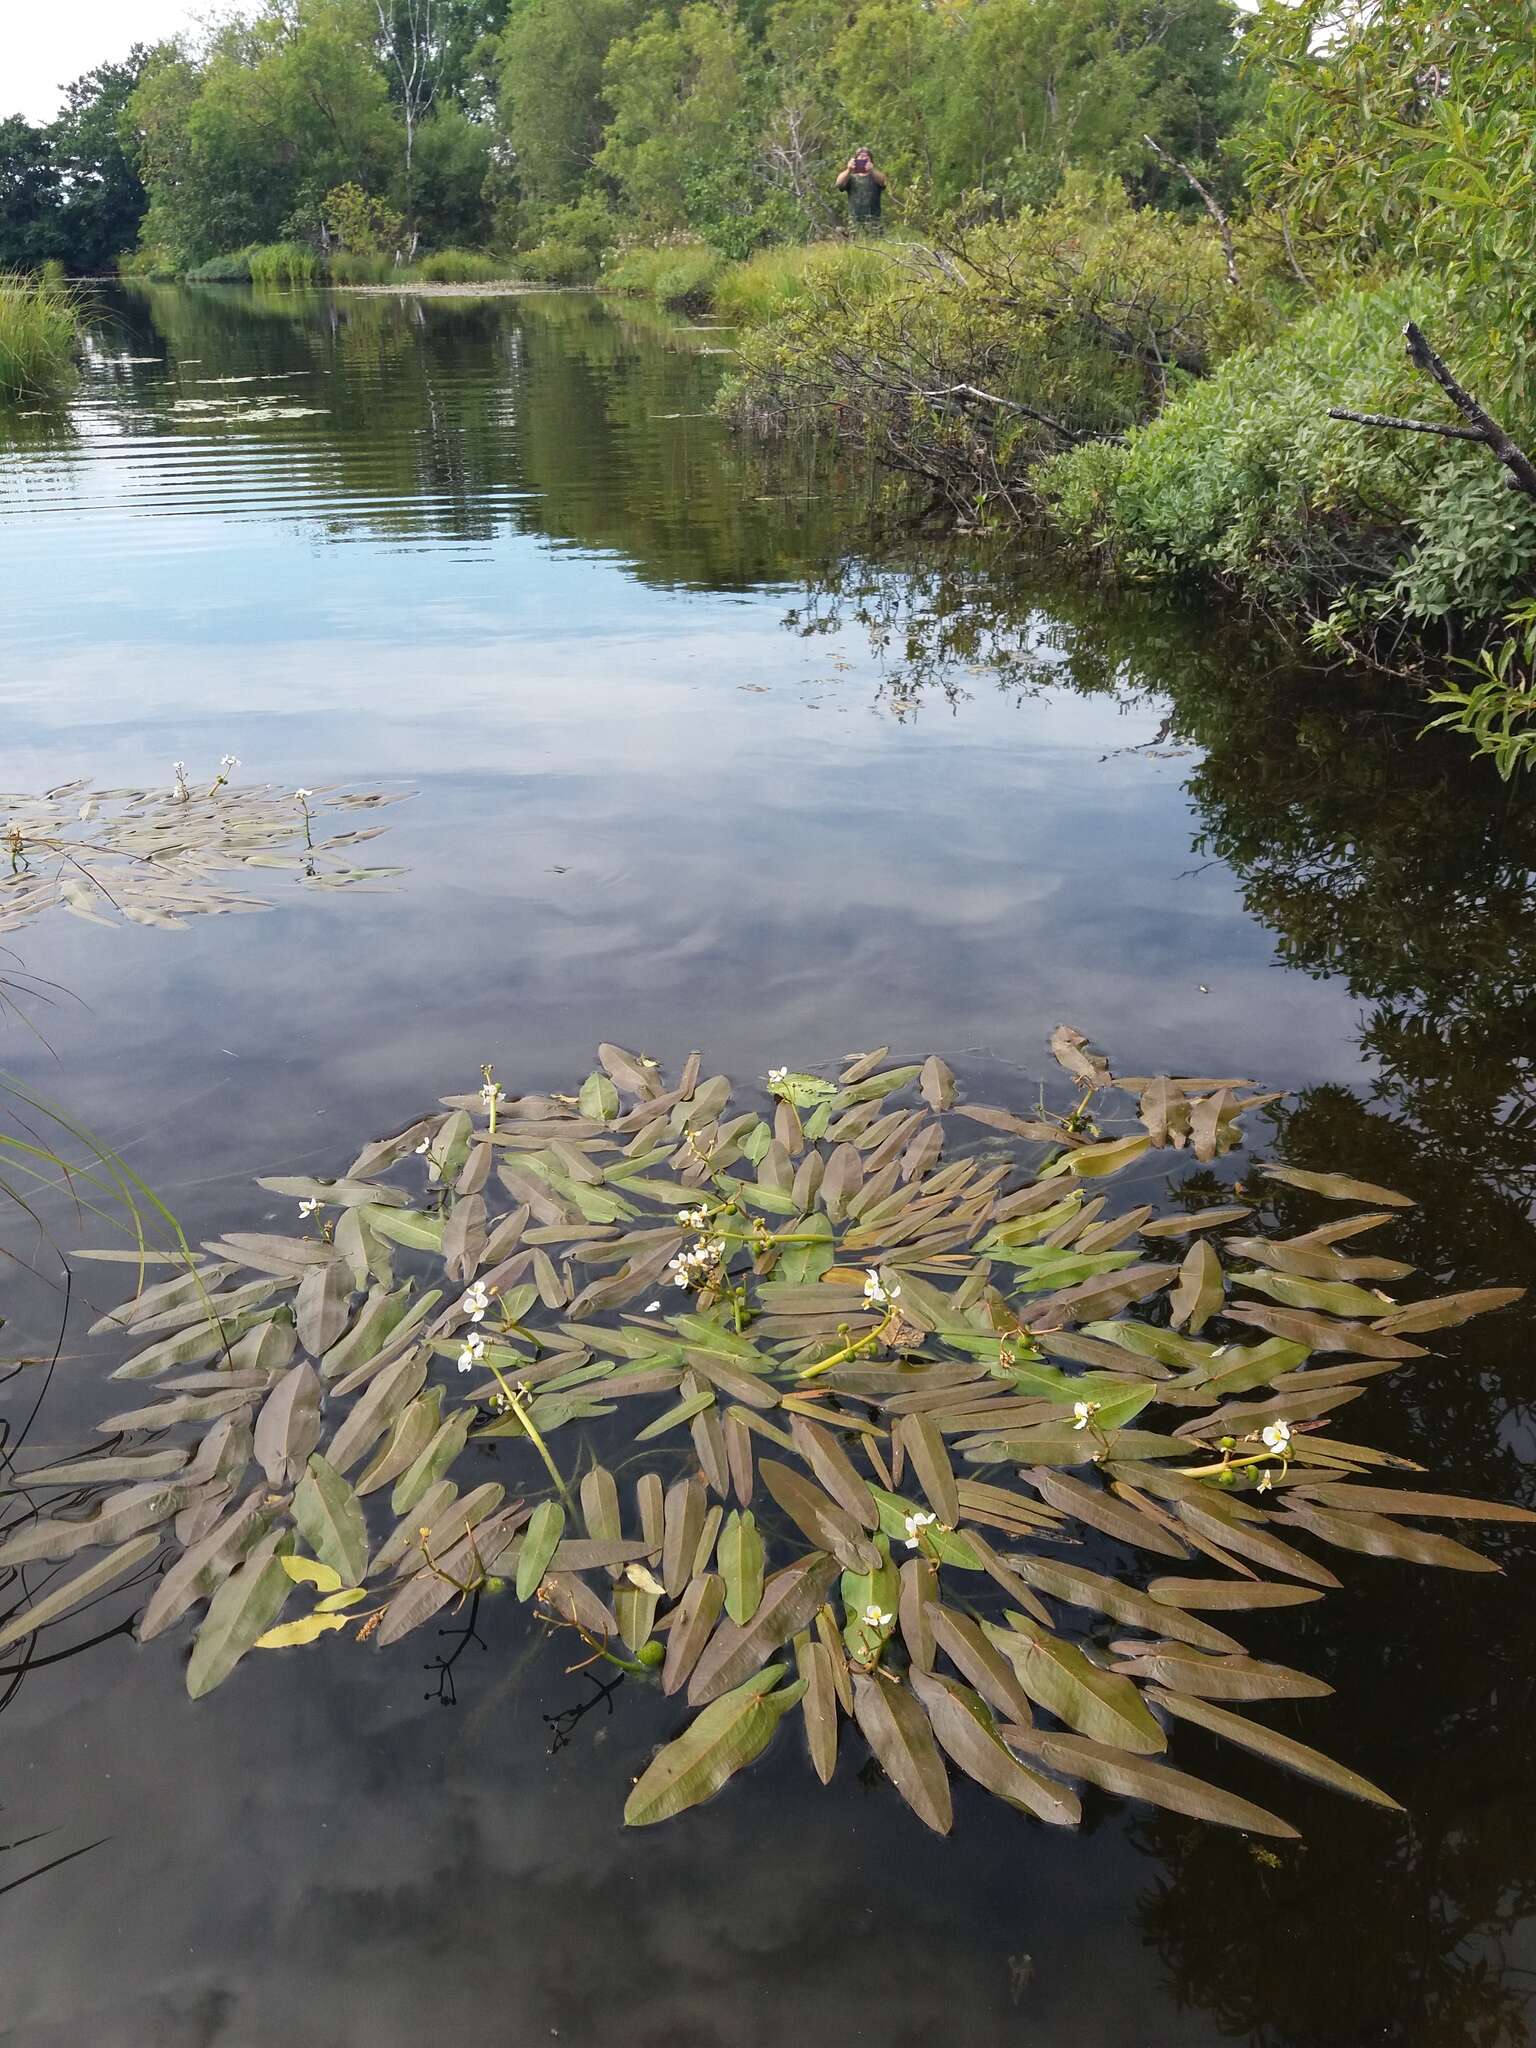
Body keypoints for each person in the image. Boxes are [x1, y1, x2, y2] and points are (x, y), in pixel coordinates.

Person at [836, 147, 888, 229]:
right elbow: (839, 183)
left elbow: (883, 182)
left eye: (866, 157)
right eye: (860, 156)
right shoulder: (851, 177)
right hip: (854, 221)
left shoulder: (875, 176)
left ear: (871, 160)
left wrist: (872, 170)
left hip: (874, 221)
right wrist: (849, 170)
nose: (863, 158)